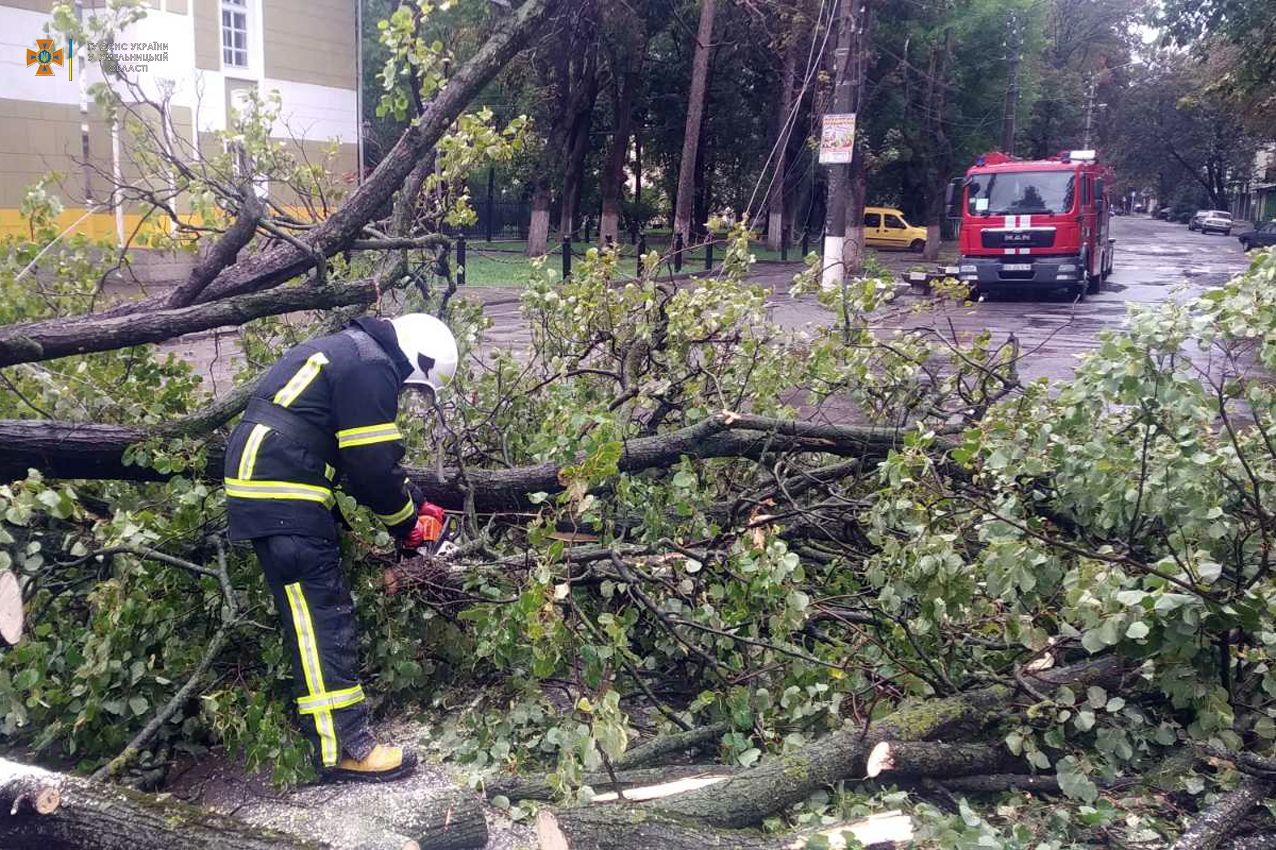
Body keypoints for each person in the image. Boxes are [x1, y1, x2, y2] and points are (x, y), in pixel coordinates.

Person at [223, 313, 458, 782]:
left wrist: (414, 503)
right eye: (412, 388)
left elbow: (359, 457)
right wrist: (409, 526)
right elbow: (372, 467)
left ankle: (334, 739)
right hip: (282, 490)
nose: (404, 394)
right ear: (419, 361)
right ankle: (344, 748)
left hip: (274, 481)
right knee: (322, 619)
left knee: (315, 615)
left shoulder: (353, 352)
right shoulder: (373, 366)